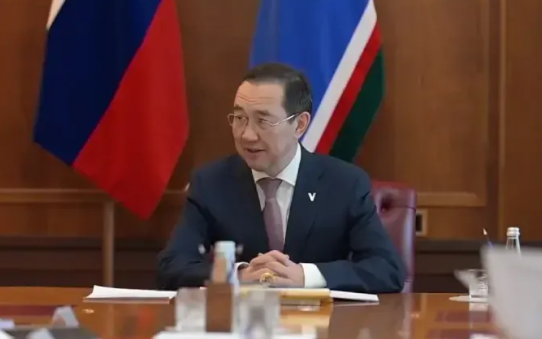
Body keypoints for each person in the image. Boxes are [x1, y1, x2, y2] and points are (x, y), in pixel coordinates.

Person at [157, 62, 406, 293]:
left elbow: (387, 269)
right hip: (243, 323)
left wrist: (305, 276)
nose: (247, 135)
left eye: (263, 121)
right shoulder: (211, 183)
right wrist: (238, 275)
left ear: (299, 125)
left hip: (323, 323)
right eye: (240, 118)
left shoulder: (344, 184)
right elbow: (172, 265)